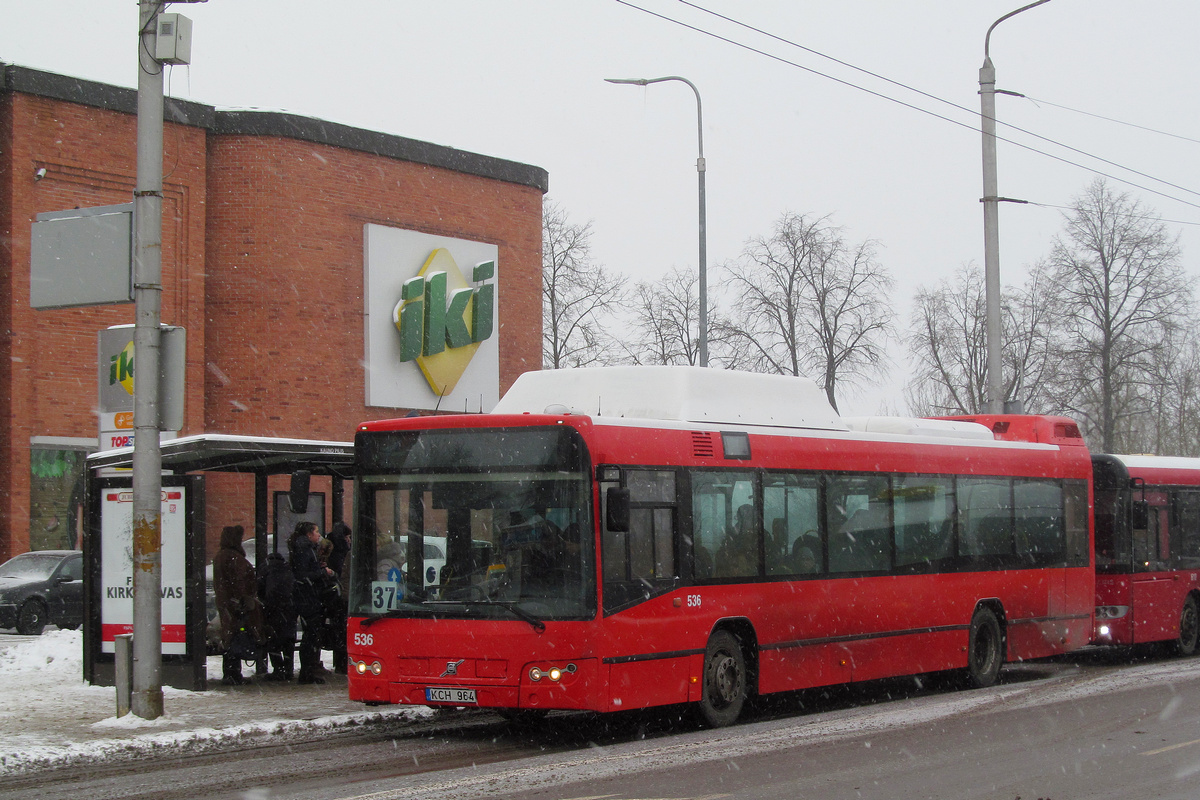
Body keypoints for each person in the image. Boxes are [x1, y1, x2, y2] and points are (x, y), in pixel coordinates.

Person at [212, 524, 263, 686]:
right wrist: (244, 600)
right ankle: (233, 673)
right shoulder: (233, 558)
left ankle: (231, 672)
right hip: (236, 605)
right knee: (237, 634)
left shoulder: (221, 556)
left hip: (227, 603)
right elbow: (239, 582)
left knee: (230, 636)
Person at [289, 521, 335, 684]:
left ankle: (308, 670)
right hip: (307, 597)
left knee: (312, 634)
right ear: (309, 534)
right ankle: (307, 671)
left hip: (306, 596)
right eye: (316, 532)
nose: (318, 535)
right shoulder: (305, 549)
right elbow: (303, 574)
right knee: (311, 635)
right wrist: (322, 572)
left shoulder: (304, 548)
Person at [259, 551, 295, 681]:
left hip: (273, 608)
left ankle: (278, 669)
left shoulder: (265, 568)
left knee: (273, 640)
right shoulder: (287, 568)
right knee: (288, 640)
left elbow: (260, 588)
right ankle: (289, 670)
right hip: (288, 608)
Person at [324, 522, 352, 673]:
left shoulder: (332, 549)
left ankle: (340, 662)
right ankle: (342, 663)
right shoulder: (343, 552)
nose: (349, 540)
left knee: (340, 629)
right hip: (342, 596)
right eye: (347, 536)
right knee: (343, 630)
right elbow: (343, 575)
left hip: (337, 596)